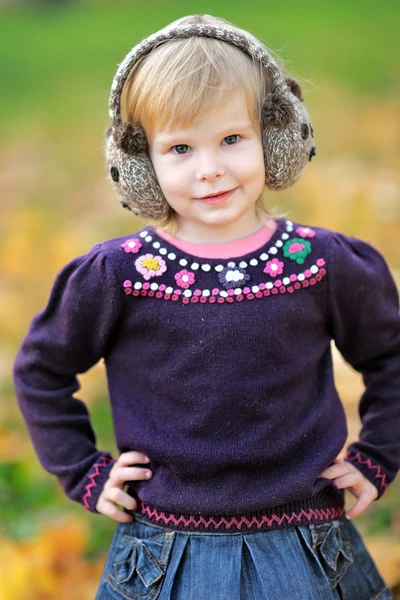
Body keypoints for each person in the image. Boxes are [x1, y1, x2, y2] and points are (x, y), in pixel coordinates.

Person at [12, 13, 398, 600]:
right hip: (162, 553)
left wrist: (378, 454)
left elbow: (391, 356)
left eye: (232, 140)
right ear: (142, 162)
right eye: (181, 148)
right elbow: (41, 370)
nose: (210, 168)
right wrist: (84, 472)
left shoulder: (321, 263)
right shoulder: (119, 275)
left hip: (306, 547)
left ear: (275, 136)